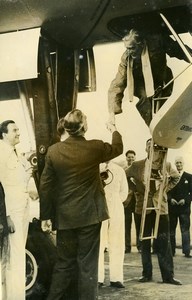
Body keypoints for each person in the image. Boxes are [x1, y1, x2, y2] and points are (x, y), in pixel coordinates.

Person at [39, 109, 123, 300]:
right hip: (90, 217)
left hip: (65, 218)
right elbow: (118, 148)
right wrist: (114, 129)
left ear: (66, 127)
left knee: (64, 264)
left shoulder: (53, 151)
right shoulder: (95, 148)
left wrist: (45, 216)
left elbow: (45, 186)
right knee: (87, 266)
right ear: (84, 127)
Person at [108, 29, 192, 126]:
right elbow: (117, 84)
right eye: (127, 48)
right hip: (141, 84)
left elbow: (178, 49)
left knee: (164, 107)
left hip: (163, 79)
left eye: (132, 48)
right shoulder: (126, 58)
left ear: (141, 44)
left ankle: (170, 125)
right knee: (145, 98)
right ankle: (154, 128)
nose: (129, 52)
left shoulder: (158, 41)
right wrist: (111, 114)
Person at [126, 138, 182, 285]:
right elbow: (124, 176)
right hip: (142, 209)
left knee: (164, 243)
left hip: (161, 210)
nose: (154, 150)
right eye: (150, 147)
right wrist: (135, 189)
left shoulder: (167, 165)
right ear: (146, 149)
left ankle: (168, 276)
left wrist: (164, 190)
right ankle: (146, 274)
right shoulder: (137, 165)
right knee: (144, 243)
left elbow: (176, 178)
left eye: (156, 148)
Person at [0, 120, 34, 300]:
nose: (18, 133)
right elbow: (0, 188)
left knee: (17, 254)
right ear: (4, 134)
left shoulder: (15, 154)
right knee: (14, 257)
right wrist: (6, 217)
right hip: (11, 212)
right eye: (14, 130)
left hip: (22, 209)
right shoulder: (1, 153)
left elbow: (23, 178)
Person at [98, 160, 128, 288]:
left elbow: (124, 192)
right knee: (98, 241)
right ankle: (98, 278)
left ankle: (116, 278)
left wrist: (115, 202)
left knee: (117, 241)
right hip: (99, 204)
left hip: (116, 206)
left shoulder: (119, 170)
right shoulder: (95, 168)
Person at [168, 156, 192, 258]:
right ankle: (171, 251)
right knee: (171, 230)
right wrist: (170, 199)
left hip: (184, 209)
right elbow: (166, 190)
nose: (178, 165)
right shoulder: (170, 177)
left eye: (180, 163)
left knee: (185, 230)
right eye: (177, 163)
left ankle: (187, 252)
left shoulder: (189, 177)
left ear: (183, 164)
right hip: (172, 208)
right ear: (175, 164)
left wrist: (185, 200)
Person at [123, 150, 141, 253]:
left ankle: (140, 246)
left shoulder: (139, 169)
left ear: (135, 158)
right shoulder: (123, 170)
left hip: (137, 200)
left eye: (132, 157)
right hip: (127, 200)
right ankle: (127, 246)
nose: (131, 159)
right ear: (126, 158)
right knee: (127, 224)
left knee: (138, 224)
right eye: (129, 157)